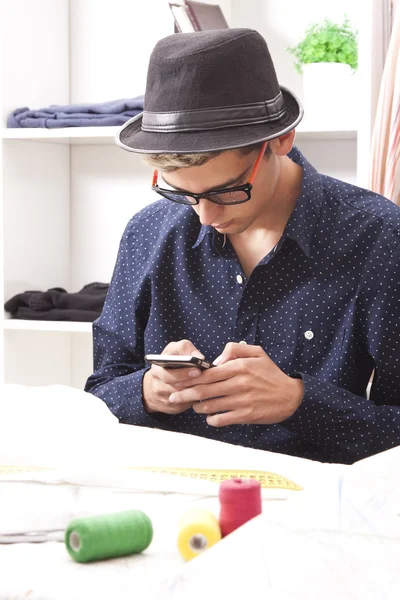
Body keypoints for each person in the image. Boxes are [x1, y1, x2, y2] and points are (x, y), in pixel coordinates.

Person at [85, 28, 400, 465]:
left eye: (227, 191)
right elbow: (99, 392)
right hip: (164, 499)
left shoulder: (378, 237)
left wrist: (298, 401)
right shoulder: (147, 233)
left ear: (281, 141)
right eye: (182, 194)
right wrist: (147, 391)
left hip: (315, 510)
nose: (206, 218)